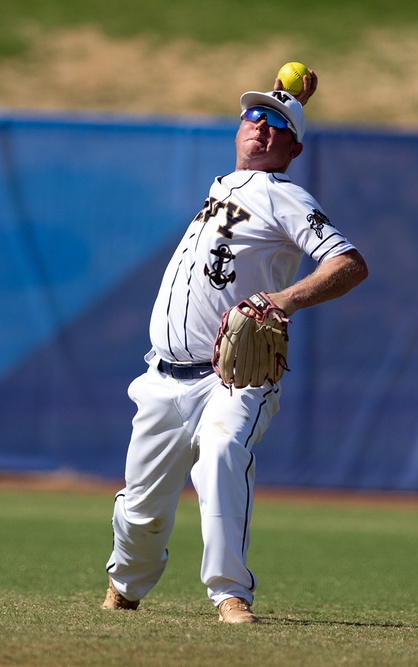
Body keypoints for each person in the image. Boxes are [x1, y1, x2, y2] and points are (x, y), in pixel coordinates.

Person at [102, 70, 368, 624]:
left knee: (223, 454)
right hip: (162, 378)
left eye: (278, 126)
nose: (263, 129)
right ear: (238, 129)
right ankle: (125, 588)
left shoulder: (284, 195)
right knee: (141, 508)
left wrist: (284, 300)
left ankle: (230, 595)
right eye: (256, 117)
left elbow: (349, 264)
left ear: (295, 149)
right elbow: (273, 119)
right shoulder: (226, 184)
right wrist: (289, 100)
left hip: (233, 375)